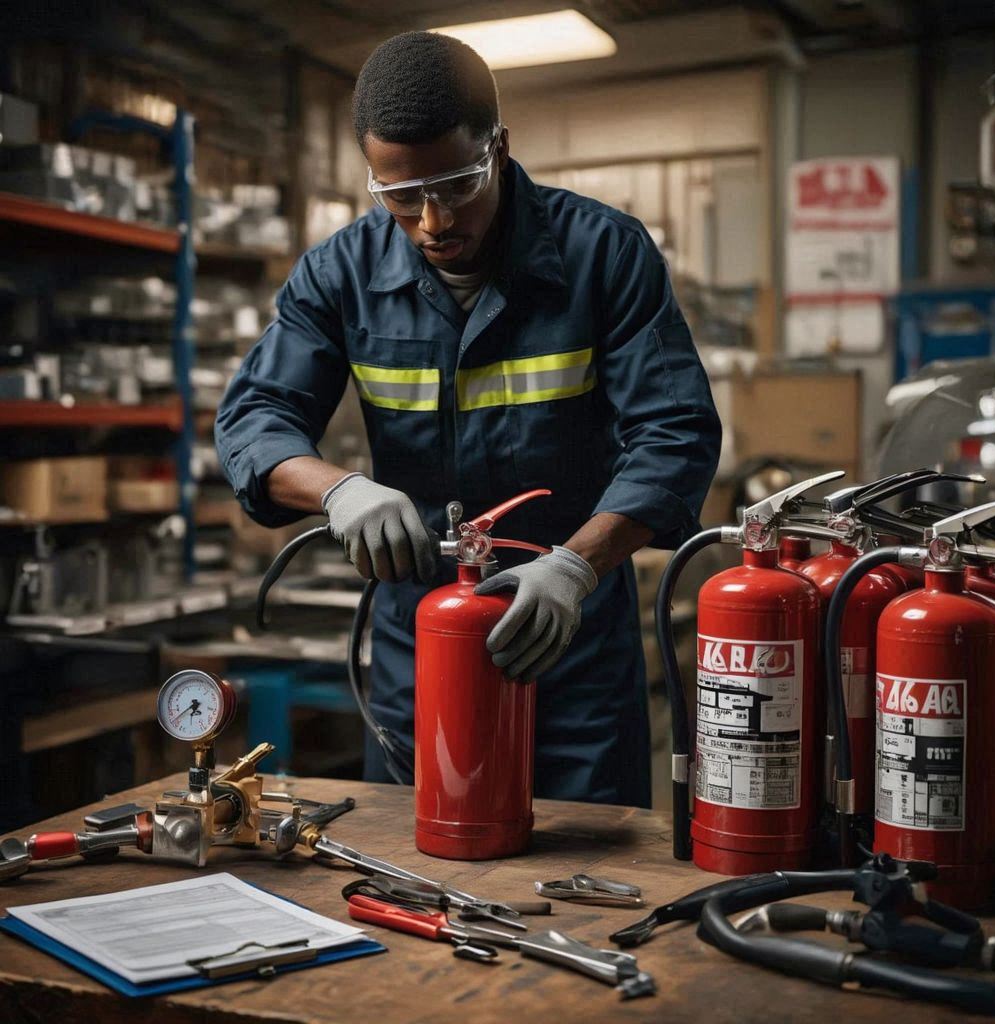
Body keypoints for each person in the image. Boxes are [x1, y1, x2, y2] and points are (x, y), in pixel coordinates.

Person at [216, 31, 721, 808]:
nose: (430, 221)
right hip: (416, 646)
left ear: (499, 146)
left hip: (570, 645)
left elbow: (675, 433)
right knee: (418, 872)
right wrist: (339, 490)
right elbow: (256, 416)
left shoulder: (603, 256)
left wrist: (577, 565)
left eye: (455, 185)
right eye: (399, 194)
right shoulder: (340, 274)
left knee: (590, 875)